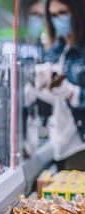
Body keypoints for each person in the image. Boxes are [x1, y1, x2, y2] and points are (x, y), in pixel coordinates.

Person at [37, 0, 85, 170]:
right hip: (60, 144)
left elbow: (71, 93)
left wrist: (73, 93)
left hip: (80, 145)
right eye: (54, 15)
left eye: (63, 12)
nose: (58, 19)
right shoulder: (58, 48)